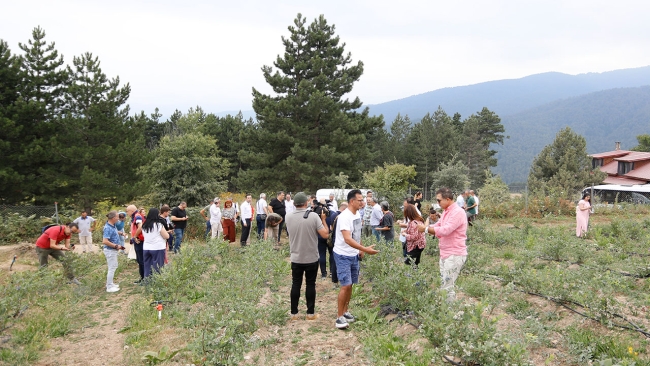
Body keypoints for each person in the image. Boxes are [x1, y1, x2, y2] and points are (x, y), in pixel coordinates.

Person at [333, 189, 379, 329]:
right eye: (360, 200)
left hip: (353, 254)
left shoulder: (357, 214)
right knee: (345, 285)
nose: (363, 202)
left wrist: (360, 249)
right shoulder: (344, 217)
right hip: (343, 255)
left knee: (351, 284)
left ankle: (346, 311)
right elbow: (347, 239)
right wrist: (365, 249)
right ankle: (339, 317)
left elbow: (356, 235)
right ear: (352, 201)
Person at [285, 192, 330, 321]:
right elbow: (325, 235)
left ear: (294, 204)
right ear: (306, 203)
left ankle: (294, 313)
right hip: (311, 257)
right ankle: (310, 313)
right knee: (310, 284)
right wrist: (323, 220)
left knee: (296, 284)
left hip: (296, 257)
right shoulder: (314, 217)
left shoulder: (288, 216)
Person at [418, 187, 468, 302]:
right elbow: (438, 225)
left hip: (454, 254)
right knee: (444, 283)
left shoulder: (457, 212)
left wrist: (425, 230)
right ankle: (446, 310)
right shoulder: (446, 211)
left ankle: (449, 313)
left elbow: (446, 230)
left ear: (448, 199)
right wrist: (425, 228)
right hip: (446, 253)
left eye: (439, 200)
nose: (438, 203)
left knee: (448, 285)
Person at [320, 202, 346, 283]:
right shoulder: (334, 214)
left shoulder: (317, 214)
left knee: (322, 254)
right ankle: (332, 272)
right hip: (332, 238)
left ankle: (323, 274)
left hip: (320, 236)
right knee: (332, 254)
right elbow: (332, 227)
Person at [142, 208, 170, 278]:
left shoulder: (144, 225)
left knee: (147, 266)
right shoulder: (158, 225)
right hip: (158, 247)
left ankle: (147, 281)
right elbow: (166, 236)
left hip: (146, 247)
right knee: (157, 266)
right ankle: (156, 281)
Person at [102, 211, 126, 292]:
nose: (118, 218)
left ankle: (111, 283)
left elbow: (114, 232)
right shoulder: (107, 228)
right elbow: (105, 241)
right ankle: (109, 287)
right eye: (117, 217)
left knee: (114, 266)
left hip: (113, 250)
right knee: (112, 268)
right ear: (113, 218)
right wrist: (116, 246)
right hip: (110, 250)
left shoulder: (113, 225)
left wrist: (121, 233)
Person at [127, 204, 146, 284]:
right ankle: (143, 277)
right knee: (139, 259)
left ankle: (144, 279)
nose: (127, 213)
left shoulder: (137, 216)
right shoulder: (135, 217)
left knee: (141, 260)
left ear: (131, 211)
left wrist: (135, 236)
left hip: (139, 240)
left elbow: (140, 226)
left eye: (127, 211)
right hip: (138, 240)